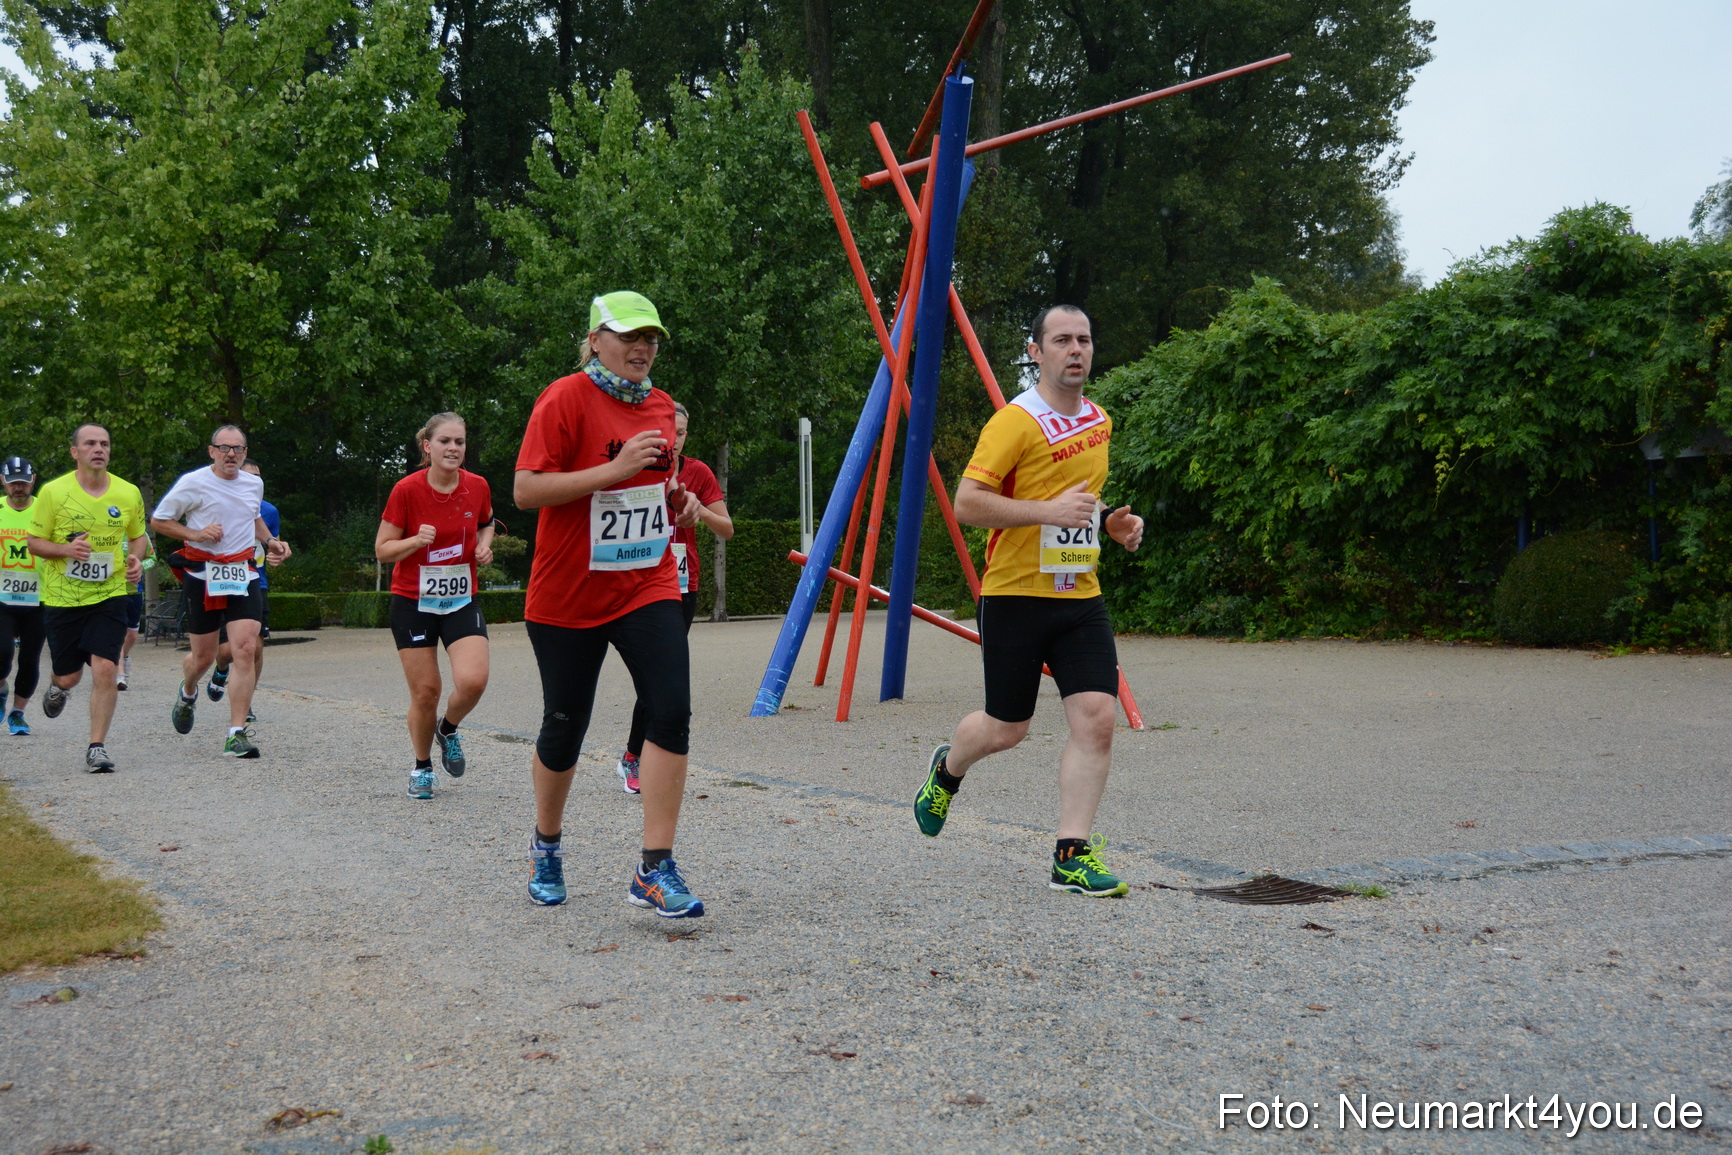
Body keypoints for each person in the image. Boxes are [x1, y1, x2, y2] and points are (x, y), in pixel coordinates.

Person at [912, 305, 1145, 896]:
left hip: (1080, 596)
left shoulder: (1099, 422)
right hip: (1014, 596)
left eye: (1084, 339)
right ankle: (948, 769)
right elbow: (967, 503)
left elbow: (1081, 505)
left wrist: (1111, 525)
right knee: (1006, 728)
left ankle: (1071, 855)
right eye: (1062, 339)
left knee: (1098, 719)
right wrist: (1047, 512)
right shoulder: (1014, 422)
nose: (1076, 349)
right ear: (1036, 352)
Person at [514, 290, 704, 914]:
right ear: (596, 340)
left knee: (670, 710)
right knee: (565, 724)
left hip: (647, 582)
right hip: (569, 593)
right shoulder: (563, 398)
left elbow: (655, 484)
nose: (643, 348)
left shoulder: (660, 406)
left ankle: (655, 867)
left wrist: (676, 500)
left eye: (651, 338)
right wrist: (613, 470)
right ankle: (546, 844)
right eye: (630, 336)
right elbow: (526, 491)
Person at [150, 425, 290, 758]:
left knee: (246, 647)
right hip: (203, 574)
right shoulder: (193, 482)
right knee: (203, 657)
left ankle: (235, 734)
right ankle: (188, 691)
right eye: (224, 448)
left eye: (238, 448)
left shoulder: (253, 484)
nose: (231, 454)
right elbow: (160, 521)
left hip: (242, 572)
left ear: (245, 453)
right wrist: (195, 534)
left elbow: (254, 518)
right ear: (212, 451)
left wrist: (271, 541)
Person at [613, 401, 732, 793]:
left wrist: (697, 511)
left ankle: (635, 757)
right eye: (668, 433)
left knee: (663, 677)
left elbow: (727, 528)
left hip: (682, 585)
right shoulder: (635, 466)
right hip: (636, 583)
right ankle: (634, 757)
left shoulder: (698, 472)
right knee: (654, 678)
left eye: (680, 433)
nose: (674, 440)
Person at [375, 413, 495, 800]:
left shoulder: (477, 486)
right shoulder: (406, 490)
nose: (453, 448)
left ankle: (448, 727)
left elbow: (487, 522)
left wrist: (484, 545)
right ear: (428, 446)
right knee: (426, 691)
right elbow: (382, 550)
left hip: (460, 598)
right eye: (445, 441)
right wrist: (414, 541)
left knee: (473, 681)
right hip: (414, 602)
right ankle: (422, 767)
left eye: (460, 441)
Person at [24, 425, 151, 771]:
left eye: (104, 444)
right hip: (63, 598)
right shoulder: (53, 492)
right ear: (74, 452)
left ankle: (97, 747)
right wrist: (66, 549)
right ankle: (57, 686)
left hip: (109, 594)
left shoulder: (127, 492)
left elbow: (138, 536)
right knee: (70, 677)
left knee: (107, 668)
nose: (99, 449)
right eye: (91, 443)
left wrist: (135, 558)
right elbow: (34, 543)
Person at [206, 459, 280, 715]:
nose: (254, 481)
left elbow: (273, 543)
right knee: (227, 651)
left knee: (254, 647)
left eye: (257, 477)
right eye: (248, 476)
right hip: (223, 581)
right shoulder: (217, 504)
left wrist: (277, 554)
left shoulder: (269, 511)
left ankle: (245, 703)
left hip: (256, 581)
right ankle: (221, 668)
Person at [1, 456, 47, 735]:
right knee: (2, 652)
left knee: (30, 658)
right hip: (2, 597)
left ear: (33, 480)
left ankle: (18, 714)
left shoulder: (46, 509)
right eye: (12, 482)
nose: (18, 487)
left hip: (39, 596)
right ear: (3, 482)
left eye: (23, 482)